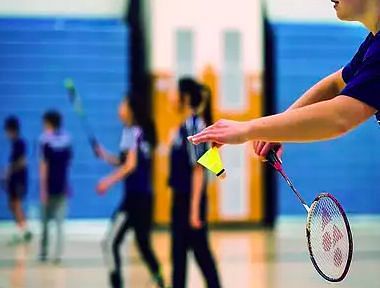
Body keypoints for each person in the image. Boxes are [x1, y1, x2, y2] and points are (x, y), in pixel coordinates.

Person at [189, 0, 380, 159]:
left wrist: (247, 129)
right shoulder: (373, 43)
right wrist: (273, 130)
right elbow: (336, 84)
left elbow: (340, 117)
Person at [96, 97, 165, 288]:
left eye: (123, 104)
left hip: (134, 200)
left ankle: (116, 284)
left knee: (109, 243)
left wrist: (107, 182)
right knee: (143, 244)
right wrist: (105, 155)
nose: (119, 108)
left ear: (131, 109)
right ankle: (159, 277)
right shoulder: (141, 132)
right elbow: (125, 161)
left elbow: (130, 165)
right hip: (145, 197)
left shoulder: (130, 132)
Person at [168, 78, 221, 288]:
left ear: (185, 97)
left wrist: (194, 211)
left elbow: (198, 169)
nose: (170, 97)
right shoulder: (185, 125)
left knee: (200, 254)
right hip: (182, 200)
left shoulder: (194, 125)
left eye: (174, 92)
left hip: (189, 202)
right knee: (180, 256)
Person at [39, 110, 72, 263]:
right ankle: (57, 255)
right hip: (62, 187)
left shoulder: (44, 140)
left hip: (50, 188)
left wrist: (43, 189)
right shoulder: (67, 139)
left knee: (45, 223)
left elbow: (43, 166)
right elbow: (67, 165)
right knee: (59, 224)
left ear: (49, 123)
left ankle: (44, 252)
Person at [2, 116, 32, 244]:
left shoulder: (20, 143)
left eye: (6, 131)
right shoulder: (15, 143)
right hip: (14, 180)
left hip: (19, 180)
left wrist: (9, 169)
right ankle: (23, 230)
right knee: (12, 205)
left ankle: (23, 232)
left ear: (11, 130)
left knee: (16, 204)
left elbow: (23, 161)